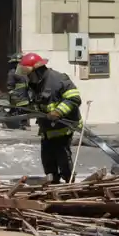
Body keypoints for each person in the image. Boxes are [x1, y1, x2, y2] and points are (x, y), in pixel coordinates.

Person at [15, 52, 81, 183]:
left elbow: (74, 99)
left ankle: (69, 182)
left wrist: (58, 111)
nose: (28, 78)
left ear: (37, 71)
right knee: (47, 159)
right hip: (47, 128)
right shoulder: (35, 84)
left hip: (63, 127)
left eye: (29, 74)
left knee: (62, 157)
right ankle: (53, 182)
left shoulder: (58, 79)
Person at [6, 53, 30, 129]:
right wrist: (14, 96)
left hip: (25, 95)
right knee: (17, 110)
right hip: (18, 96)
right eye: (19, 62)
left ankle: (24, 123)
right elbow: (10, 86)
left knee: (25, 109)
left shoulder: (24, 72)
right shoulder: (12, 72)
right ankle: (16, 124)